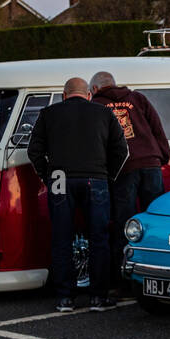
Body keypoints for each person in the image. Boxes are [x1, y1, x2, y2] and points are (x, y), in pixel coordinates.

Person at [27, 77, 128, 312]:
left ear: (64, 95)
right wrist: (107, 176)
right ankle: (98, 297)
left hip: (60, 179)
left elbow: (34, 151)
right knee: (99, 238)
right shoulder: (103, 113)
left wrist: (48, 176)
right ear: (88, 95)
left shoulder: (48, 113)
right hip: (96, 179)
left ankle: (65, 298)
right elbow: (121, 150)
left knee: (62, 237)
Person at [89, 71, 170, 285]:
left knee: (124, 224)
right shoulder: (137, 98)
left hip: (123, 168)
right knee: (155, 220)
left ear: (95, 89)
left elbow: (97, 140)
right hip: (151, 163)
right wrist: (161, 156)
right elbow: (157, 128)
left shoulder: (96, 104)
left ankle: (124, 281)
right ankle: (160, 273)